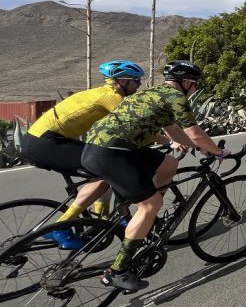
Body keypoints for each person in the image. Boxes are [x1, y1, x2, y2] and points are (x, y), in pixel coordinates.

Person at [81, 60, 229, 292]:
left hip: (97, 149)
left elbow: (174, 132)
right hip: (113, 153)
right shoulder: (176, 97)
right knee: (151, 204)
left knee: (168, 164)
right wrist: (218, 152)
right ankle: (117, 270)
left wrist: (200, 148)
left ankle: (143, 220)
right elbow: (195, 133)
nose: (195, 88)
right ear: (187, 82)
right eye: (195, 84)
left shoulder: (154, 93)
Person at [20, 60, 145, 249]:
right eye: (136, 81)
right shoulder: (112, 97)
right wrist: (168, 140)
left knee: (104, 167)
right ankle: (61, 227)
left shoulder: (99, 93)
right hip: (47, 142)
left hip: (40, 139)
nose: (139, 85)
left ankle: (102, 221)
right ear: (123, 81)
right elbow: (136, 126)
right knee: (105, 171)